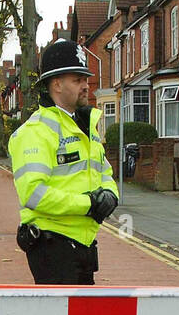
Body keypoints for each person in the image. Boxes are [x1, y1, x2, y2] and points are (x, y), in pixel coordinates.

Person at [8, 39, 119, 284]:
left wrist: (111, 195)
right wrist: (88, 204)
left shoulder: (85, 127)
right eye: (77, 79)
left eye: (85, 78)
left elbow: (104, 172)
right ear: (56, 84)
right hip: (52, 246)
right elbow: (33, 194)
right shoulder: (35, 131)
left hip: (84, 243)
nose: (86, 85)